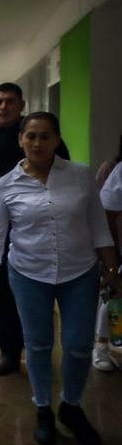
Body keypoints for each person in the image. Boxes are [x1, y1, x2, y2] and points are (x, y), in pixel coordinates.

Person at [0, 112, 120, 445]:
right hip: (28, 274)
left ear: (57, 139)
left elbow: (98, 226)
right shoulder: (6, 184)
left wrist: (112, 270)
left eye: (45, 136)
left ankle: (71, 406)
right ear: (21, 140)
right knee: (39, 344)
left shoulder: (80, 175)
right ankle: (43, 407)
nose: (38, 143)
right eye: (31, 136)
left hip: (80, 273)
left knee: (76, 345)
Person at [0, 82, 69, 376]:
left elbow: (64, 176)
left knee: (42, 288)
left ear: (22, 104)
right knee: (0, 291)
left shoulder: (38, 136)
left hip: (41, 228)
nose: (3, 106)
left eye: (10, 101)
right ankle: (9, 351)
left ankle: (40, 348)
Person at [95, 158, 122, 370]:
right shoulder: (117, 170)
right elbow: (107, 212)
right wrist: (111, 252)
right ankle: (102, 345)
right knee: (113, 296)